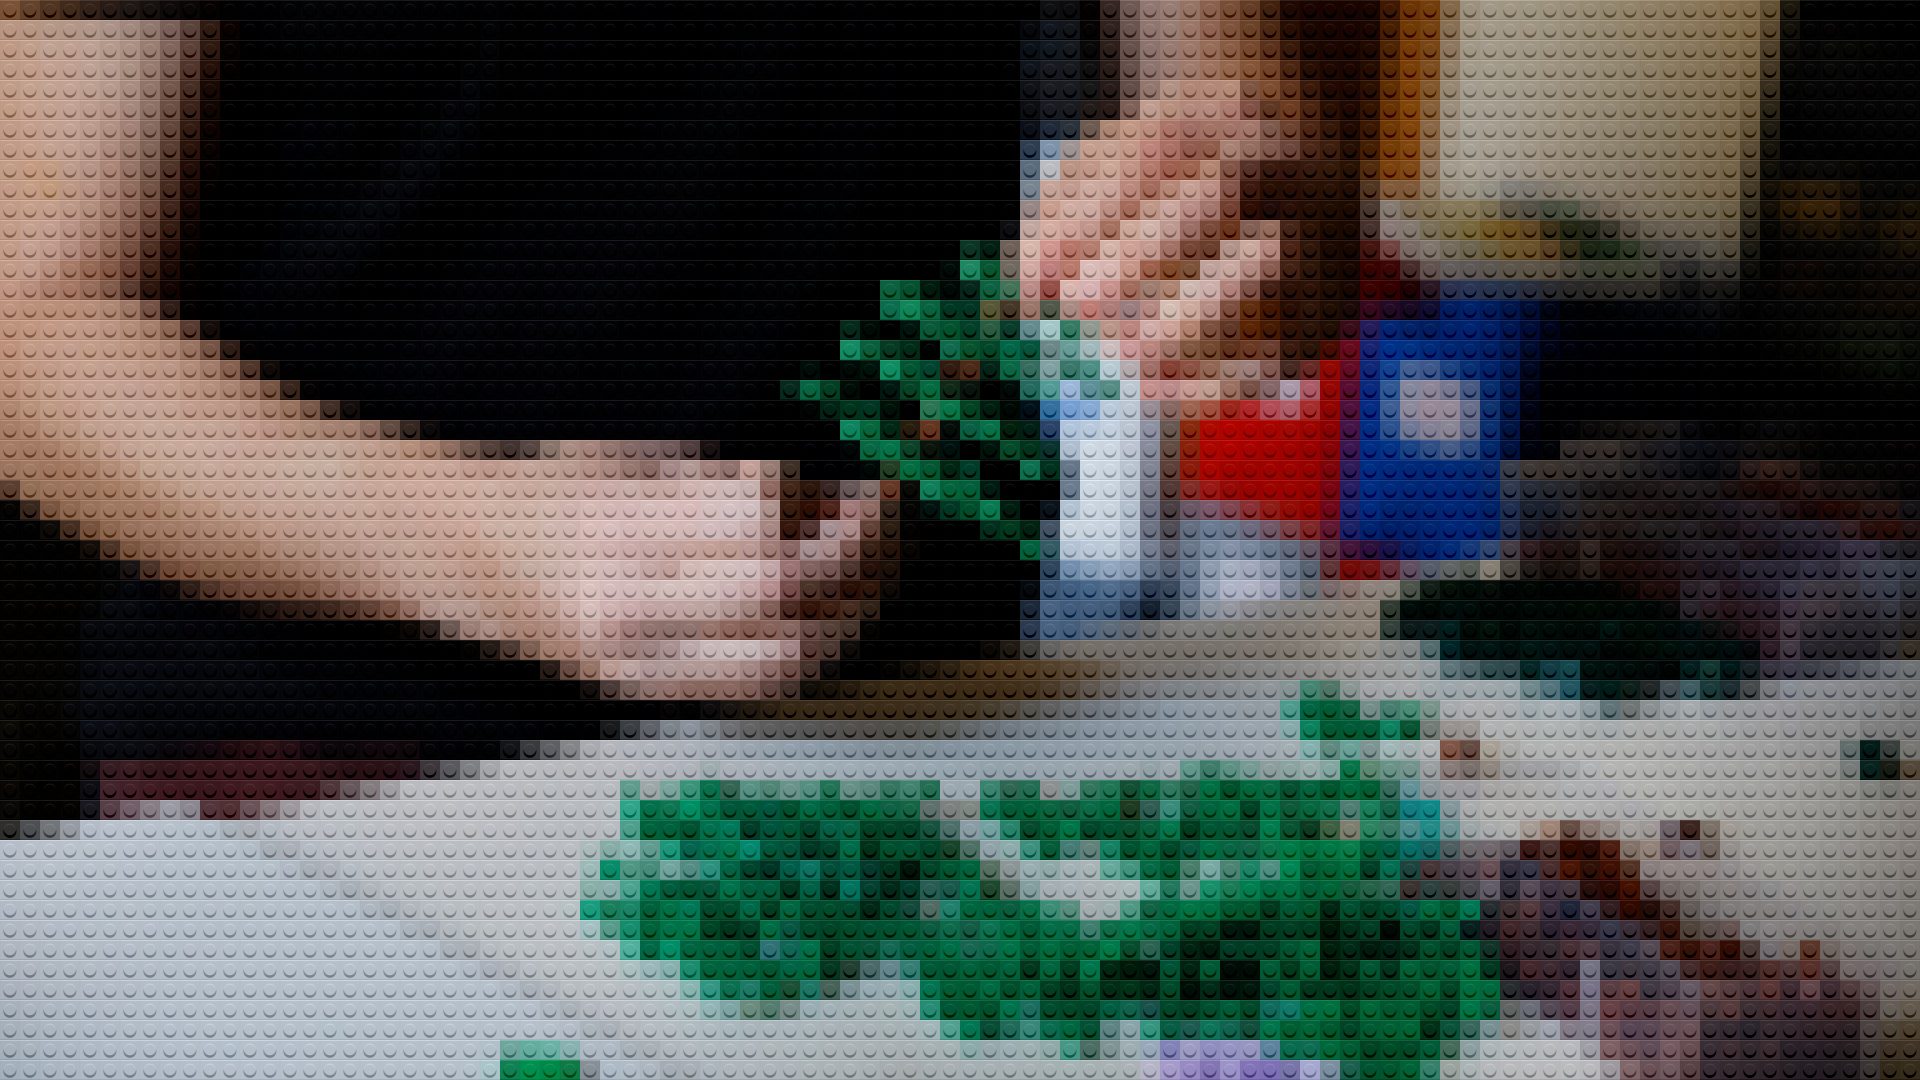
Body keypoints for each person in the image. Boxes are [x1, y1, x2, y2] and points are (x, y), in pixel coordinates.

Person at [6, 4, 1916, 1080]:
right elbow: (32, 326)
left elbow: (1253, 123)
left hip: (949, 749)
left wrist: (1258, 207)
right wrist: (489, 541)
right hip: (322, 776)